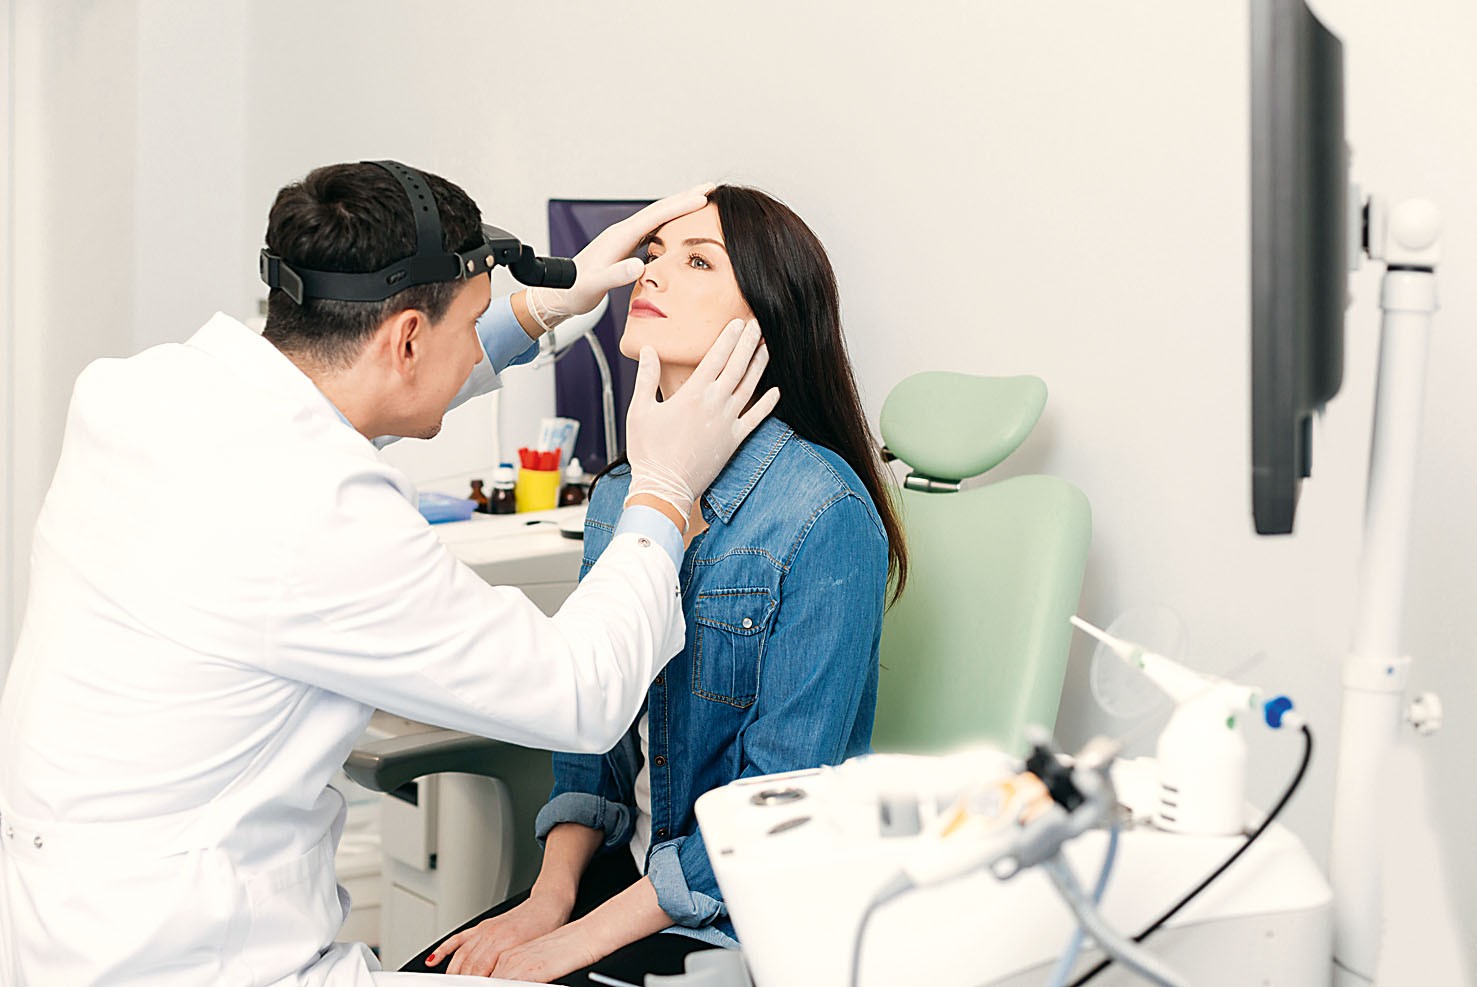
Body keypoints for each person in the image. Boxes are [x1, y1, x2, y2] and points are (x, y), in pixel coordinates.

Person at [0, 163, 779, 987]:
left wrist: (538, 309)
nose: (656, 275)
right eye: (472, 323)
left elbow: (346, 398)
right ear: (407, 338)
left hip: (64, 933)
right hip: (196, 963)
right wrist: (663, 489)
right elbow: (580, 696)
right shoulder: (321, 511)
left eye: (698, 261)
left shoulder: (137, 391)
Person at [408, 185, 908, 984]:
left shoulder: (822, 513)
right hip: (624, 879)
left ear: (767, 316)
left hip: (743, 914)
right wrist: (547, 900)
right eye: (653, 253)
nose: (651, 273)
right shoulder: (624, 493)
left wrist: (574, 942)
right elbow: (590, 741)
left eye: (698, 261)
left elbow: (776, 807)